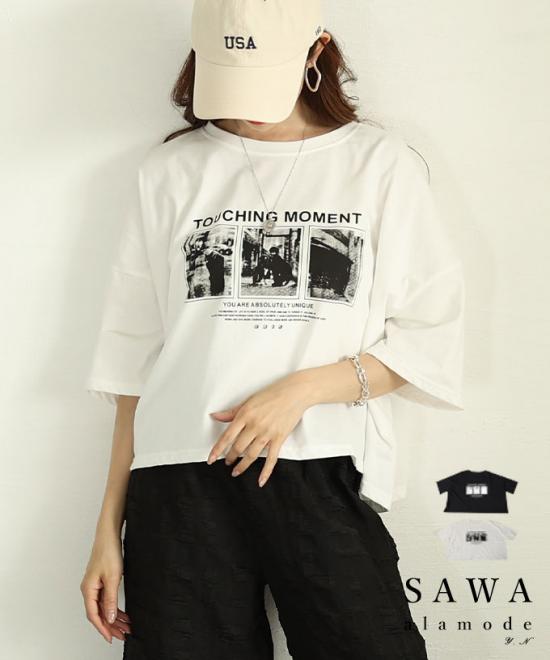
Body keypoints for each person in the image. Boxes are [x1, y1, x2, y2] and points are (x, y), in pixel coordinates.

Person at [80, 1, 465, 658]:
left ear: (316, 51)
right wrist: (106, 530)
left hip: (320, 465)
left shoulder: (379, 165)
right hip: (178, 478)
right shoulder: (170, 170)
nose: (247, 107)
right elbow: (133, 365)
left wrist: (302, 390)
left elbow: (428, 337)